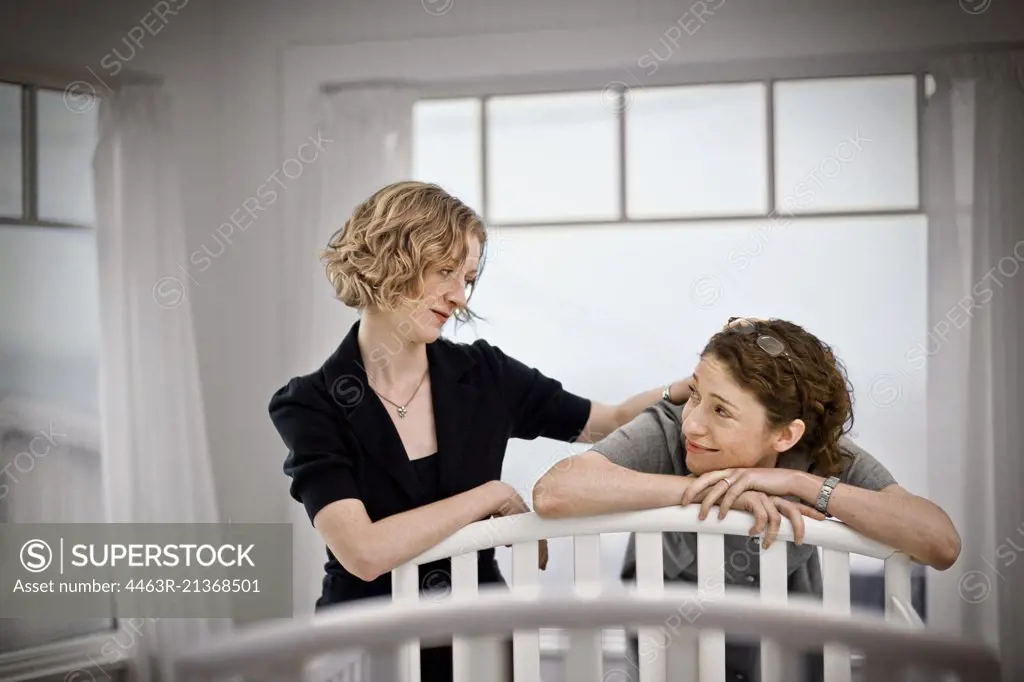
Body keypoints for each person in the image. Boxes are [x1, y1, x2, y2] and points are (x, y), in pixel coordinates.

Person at [267, 180, 693, 682]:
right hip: (367, 645)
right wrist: (486, 496)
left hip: (482, 643)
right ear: (392, 258)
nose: (459, 296)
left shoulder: (486, 374)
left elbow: (614, 421)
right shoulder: (310, 403)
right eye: (446, 271)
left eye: (467, 278)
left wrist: (701, 383)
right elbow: (363, 552)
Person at [533, 317, 962, 682]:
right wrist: (705, 491)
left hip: (791, 662)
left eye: (721, 411)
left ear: (785, 434)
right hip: (672, 661)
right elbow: (553, 492)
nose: (693, 425)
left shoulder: (816, 453)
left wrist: (800, 485)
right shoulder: (668, 427)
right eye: (695, 395)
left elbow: (940, 543)